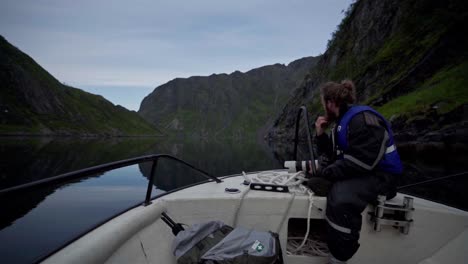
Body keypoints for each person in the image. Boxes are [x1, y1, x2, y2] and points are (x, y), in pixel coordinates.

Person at [309, 80, 403, 263]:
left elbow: (362, 160)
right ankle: (332, 236)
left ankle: (340, 255)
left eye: (323, 103)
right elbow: (334, 157)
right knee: (316, 183)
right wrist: (321, 135)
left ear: (329, 103)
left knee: (341, 197)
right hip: (366, 172)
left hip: (384, 177)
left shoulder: (362, 119)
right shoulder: (340, 124)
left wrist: (328, 173)